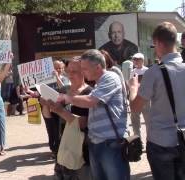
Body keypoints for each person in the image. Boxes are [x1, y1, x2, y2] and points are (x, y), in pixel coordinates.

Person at [57, 49, 130, 180]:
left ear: (97, 67)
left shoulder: (110, 77)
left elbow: (90, 101)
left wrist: (67, 98)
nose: (82, 72)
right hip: (99, 143)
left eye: (84, 68)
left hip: (110, 143)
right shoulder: (99, 83)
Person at [129, 22, 185, 180]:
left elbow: (135, 107)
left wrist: (133, 88)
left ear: (159, 43)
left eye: (154, 45)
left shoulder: (154, 72)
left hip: (161, 142)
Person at [41, 59, 92, 180]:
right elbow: (49, 117)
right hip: (63, 147)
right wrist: (45, 104)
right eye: (69, 71)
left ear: (84, 72)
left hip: (80, 150)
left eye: (74, 71)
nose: (70, 74)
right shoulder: (63, 90)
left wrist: (59, 110)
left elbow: (82, 123)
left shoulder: (89, 93)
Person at [130, 52, 149, 138]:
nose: (136, 61)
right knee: (135, 121)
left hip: (146, 98)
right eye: (134, 59)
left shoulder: (147, 70)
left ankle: (150, 140)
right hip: (135, 97)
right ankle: (138, 141)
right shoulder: (132, 71)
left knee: (148, 120)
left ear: (142, 60)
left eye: (138, 59)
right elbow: (130, 84)